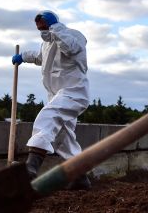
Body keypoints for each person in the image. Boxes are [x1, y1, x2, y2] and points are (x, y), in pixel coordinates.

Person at [11, 10, 91, 190]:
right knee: (64, 137)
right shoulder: (46, 44)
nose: (43, 31)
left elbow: (70, 48)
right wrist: (23, 56)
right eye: (39, 29)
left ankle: (31, 168)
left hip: (74, 92)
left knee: (48, 116)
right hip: (56, 94)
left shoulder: (73, 36)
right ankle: (80, 178)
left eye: (44, 27)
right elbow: (40, 57)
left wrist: (55, 27)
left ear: (53, 24)